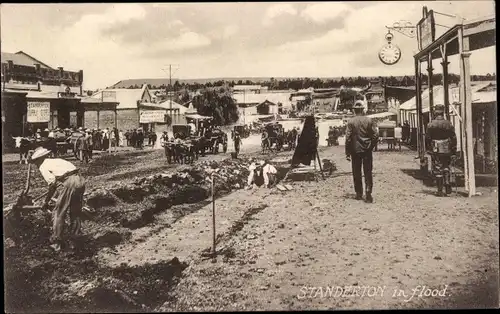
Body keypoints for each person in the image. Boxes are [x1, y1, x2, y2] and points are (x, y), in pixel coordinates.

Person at [29, 147, 86, 252]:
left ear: (39, 159)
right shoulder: (57, 160)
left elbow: (52, 186)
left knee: (58, 212)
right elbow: (60, 181)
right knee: (75, 212)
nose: (36, 165)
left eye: (35, 162)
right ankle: (76, 239)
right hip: (80, 180)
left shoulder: (43, 166)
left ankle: (57, 243)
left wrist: (46, 202)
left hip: (70, 182)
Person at [345, 100, 379, 203]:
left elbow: (348, 138)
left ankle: (359, 194)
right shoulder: (369, 120)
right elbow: (375, 135)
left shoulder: (351, 122)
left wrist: (347, 152)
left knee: (357, 172)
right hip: (367, 150)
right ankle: (368, 193)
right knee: (368, 172)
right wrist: (371, 146)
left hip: (355, 150)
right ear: (363, 110)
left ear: (355, 110)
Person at [425, 104, 457, 197]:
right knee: (446, 166)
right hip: (447, 148)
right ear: (443, 113)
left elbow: (427, 138)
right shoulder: (448, 123)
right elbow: (453, 137)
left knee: (438, 168)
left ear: (435, 113)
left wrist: (429, 149)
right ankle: (447, 183)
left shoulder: (431, 124)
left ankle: (439, 190)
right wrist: (454, 149)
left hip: (436, 148)